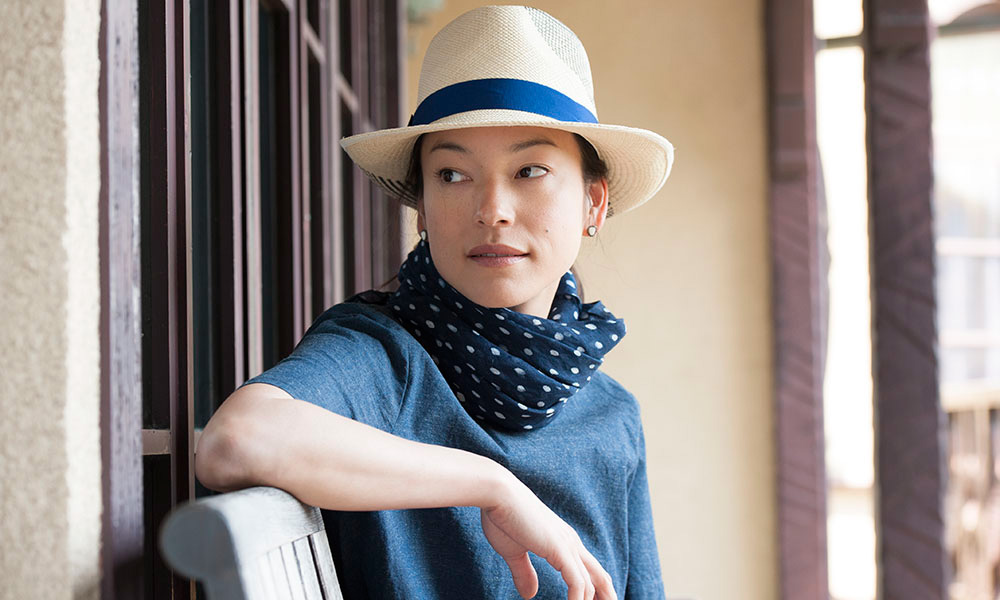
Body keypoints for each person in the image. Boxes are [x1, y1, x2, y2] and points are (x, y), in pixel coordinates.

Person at [195, 5, 674, 600]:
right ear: (421, 207)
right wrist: (491, 486)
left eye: (529, 170)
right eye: (452, 174)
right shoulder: (381, 356)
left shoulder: (611, 414)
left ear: (592, 203)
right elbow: (236, 441)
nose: (492, 210)